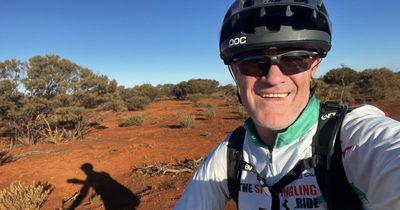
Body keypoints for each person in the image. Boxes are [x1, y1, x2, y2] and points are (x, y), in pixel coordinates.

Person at [174, 0, 400, 210]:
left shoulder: (354, 139)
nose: (273, 78)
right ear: (235, 72)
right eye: (254, 63)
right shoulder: (229, 154)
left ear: (313, 67)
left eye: (293, 60)